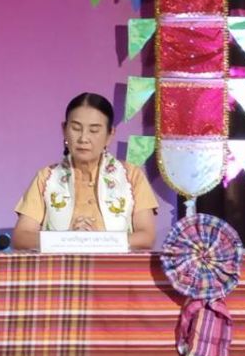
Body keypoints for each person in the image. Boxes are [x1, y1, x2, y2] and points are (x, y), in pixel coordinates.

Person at [11, 92, 158, 250]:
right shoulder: (46, 178)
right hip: (61, 265)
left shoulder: (131, 176)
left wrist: (97, 241)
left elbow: (146, 236)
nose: (83, 138)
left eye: (94, 130)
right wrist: (68, 239)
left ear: (110, 135)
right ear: (64, 130)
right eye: (76, 128)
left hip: (114, 266)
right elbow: (21, 237)